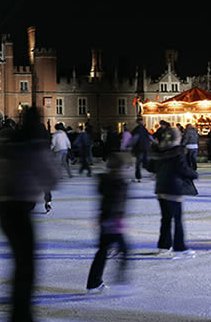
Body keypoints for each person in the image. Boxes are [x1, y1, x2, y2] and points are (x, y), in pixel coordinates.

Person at [0, 107, 58, 322]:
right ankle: (21, 314)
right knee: (26, 265)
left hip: (5, 209)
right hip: (21, 207)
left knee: (20, 262)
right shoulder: (33, 144)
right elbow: (52, 179)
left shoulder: (9, 143)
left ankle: (19, 312)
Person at [147, 127, 198, 259]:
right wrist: (194, 174)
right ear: (178, 138)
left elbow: (150, 166)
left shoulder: (159, 150)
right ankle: (179, 247)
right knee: (177, 219)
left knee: (166, 219)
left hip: (161, 189)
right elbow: (182, 169)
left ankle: (164, 246)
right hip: (174, 189)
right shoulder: (177, 152)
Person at [86, 153, 131, 293]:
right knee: (124, 251)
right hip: (113, 221)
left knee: (103, 251)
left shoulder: (107, 180)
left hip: (105, 219)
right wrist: (117, 220)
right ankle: (121, 280)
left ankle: (94, 282)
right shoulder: (118, 183)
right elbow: (116, 203)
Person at [131, 117, 153, 182]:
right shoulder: (144, 129)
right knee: (145, 163)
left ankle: (138, 177)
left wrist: (130, 145)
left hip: (139, 148)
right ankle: (154, 171)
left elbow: (134, 139)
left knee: (138, 164)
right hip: (146, 148)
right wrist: (155, 142)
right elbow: (150, 137)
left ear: (137, 122)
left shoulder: (136, 129)